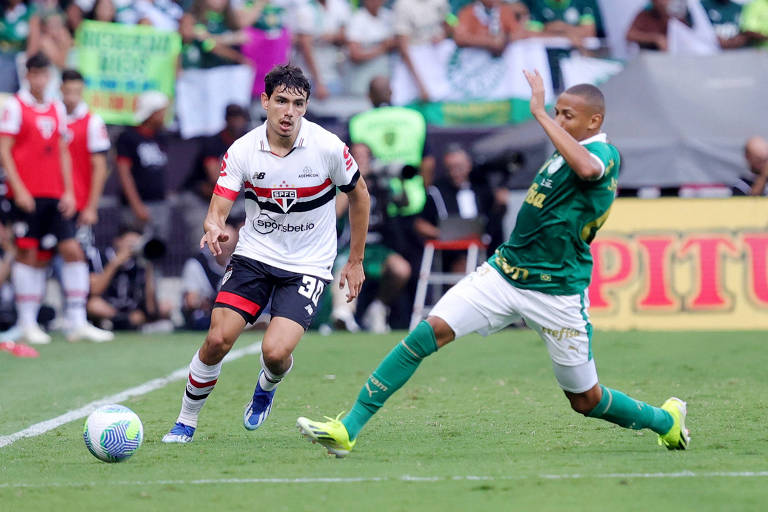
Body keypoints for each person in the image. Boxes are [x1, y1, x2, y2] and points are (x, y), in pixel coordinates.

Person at [297, 70, 690, 458]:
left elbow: (588, 170)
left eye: (567, 115)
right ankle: (348, 428)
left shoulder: (604, 153)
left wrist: (537, 113)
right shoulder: (562, 153)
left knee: (585, 399)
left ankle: (665, 421)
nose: (558, 120)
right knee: (426, 334)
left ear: (595, 121)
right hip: (505, 273)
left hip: (556, 291)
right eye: (556, 112)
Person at [162, 64, 370, 443]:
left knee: (275, 353)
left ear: (305, 107)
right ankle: (186, 420)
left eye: (298, 103)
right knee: (218, 339)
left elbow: (360, 195)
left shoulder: (327, 147)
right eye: (281, 101)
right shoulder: (243, 149)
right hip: (255, 254)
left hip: (307, 264)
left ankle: (266, 386)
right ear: (265, 101)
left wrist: (355, 261)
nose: (289, 111)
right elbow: (220, 203)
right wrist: (214, 224)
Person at [0, 53, 112, 344]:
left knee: (72, 250)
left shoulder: (56, 109)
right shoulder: (14, 106)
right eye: (35, 74)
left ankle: (77, 320)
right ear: (28, 75)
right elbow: (5, 149)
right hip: (27, 194)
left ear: (49, 76)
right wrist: (19, 188)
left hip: (55, 194)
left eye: (44, 74)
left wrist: (70, 191)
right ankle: (27, 322)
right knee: (29, 254)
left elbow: (62, 151)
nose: (40, 79)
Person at [86, 224, 168, 331]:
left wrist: (148, 268)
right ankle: (118, 322)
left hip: (131, 311)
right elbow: (95, 290)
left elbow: (151, 308)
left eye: (137, 244)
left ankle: (114, 324)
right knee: (94, 305)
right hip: (108, 307)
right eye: (130, 244)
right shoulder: (100, 257)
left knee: (165, 306)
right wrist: (115, 264)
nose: (133, 248)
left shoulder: (141, 263)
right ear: (118, 241)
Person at [115, 90, 171, 242]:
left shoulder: (161, 137)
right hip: (136, 207)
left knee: (158, 248)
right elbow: (124, 173)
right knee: (134, 247)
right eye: (161, 112)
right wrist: (136, 205)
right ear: (151, 113)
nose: (164, 116)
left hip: (159, 203)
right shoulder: (128, 137)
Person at [61, 69, 110, 231]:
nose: (72, 96)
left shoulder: (93, 122)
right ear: (61, 89)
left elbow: (100, 167)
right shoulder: (52, 117)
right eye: (68, 91)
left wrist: (91, 207)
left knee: (74, 251)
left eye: (77, 91)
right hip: (52, 198)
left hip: (79, 202)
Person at [180, 218, 240, 330]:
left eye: (229, 249)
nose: (225, 252)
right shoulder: (197, 265)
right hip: (202, 318)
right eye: (222, 247)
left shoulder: (236, 265)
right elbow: (191, 301)